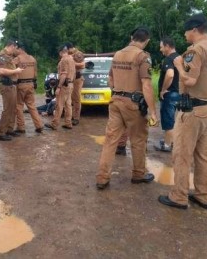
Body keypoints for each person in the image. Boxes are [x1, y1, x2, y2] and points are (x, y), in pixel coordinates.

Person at [158, 13, 207, 210]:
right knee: (204, 155)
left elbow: (189, 80)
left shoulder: (195, 50)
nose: (184, 35)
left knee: (182, 154)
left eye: (186, 31)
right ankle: (203, 195)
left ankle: (179, 196)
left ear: (194, 30)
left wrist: (179, 67)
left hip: (193, 110)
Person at [96, 27, 158, 189]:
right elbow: (146, 84)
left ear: (132, 37)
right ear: (147, 41)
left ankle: (102, 177)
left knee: (110, 140)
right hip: (133, 104)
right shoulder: (142, 56)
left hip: (115, 101)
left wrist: (117, 92)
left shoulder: (117, 54)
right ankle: (138, 174)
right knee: (138, 140)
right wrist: (152, 111)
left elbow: (110, 78)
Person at [154, 37, 180, 152]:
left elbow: (170, 75)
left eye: (161, 47)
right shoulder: (180, 58)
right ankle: (170, 141)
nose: (160, 50)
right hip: (178, 93)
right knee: (172, 119)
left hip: (169, 95)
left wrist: (163, 90)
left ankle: (168, 145)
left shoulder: (169, 59)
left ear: (167, 46)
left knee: (168, 120)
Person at [0, 39, 24, 141]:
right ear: (11, 46)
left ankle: (9, 130)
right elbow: (1, 70)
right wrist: (15, 70)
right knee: (7, 109)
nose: (15, 51)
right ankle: (1, 133)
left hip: (12, 85)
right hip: (7, 85)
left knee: (13, 109)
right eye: (15, 48)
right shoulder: (2, 56)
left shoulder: (9, 57)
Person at [14, 42, 44, 133]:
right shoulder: (32, 58)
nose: (15, 51)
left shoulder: (17, 59)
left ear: (20, 49)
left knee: (19, 106)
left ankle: (21, 127)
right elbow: (35, 73)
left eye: (16, 49)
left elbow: (10, 69)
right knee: (32, 106)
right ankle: (39, 125)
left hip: (21, 85)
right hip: (31, 84)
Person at [44, 46, 76, 130]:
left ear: (61, 52)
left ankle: (54, 124)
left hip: (64, 85)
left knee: (59, 105)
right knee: (68, 105)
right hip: (71, 84)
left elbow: (64, 74)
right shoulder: (71, 59)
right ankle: (68, 123)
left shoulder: (64, 60)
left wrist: (59, 87)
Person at [65, 42, 85, 126]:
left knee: (76, 99)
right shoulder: (69, 55)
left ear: (70, 48)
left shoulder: (78, 54)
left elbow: (82, 65)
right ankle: (73, 116)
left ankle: (76, 118)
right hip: (71, 79)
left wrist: (70, 63)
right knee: (72, 98)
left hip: (77, 78)